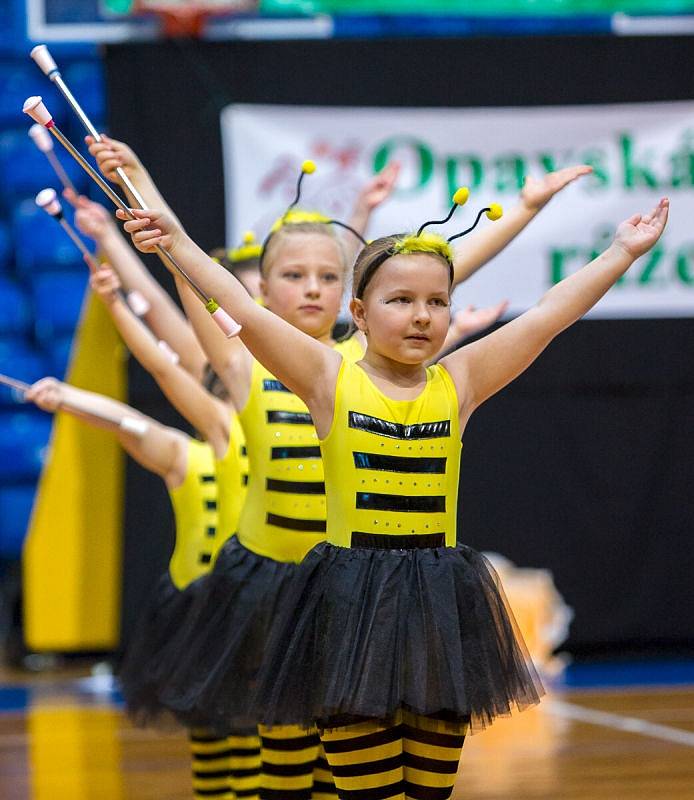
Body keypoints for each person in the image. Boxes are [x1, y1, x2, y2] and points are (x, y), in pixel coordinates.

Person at [119, 190, 668, 800]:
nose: (422, 316)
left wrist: (621, 252)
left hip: (438, 604)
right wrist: (175, 243)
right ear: (358, 310)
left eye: (437, 301)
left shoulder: (461, 380)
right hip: (349, 605)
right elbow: (238, 309)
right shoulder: (326, 377)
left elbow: (547, 316)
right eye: (400, 300)